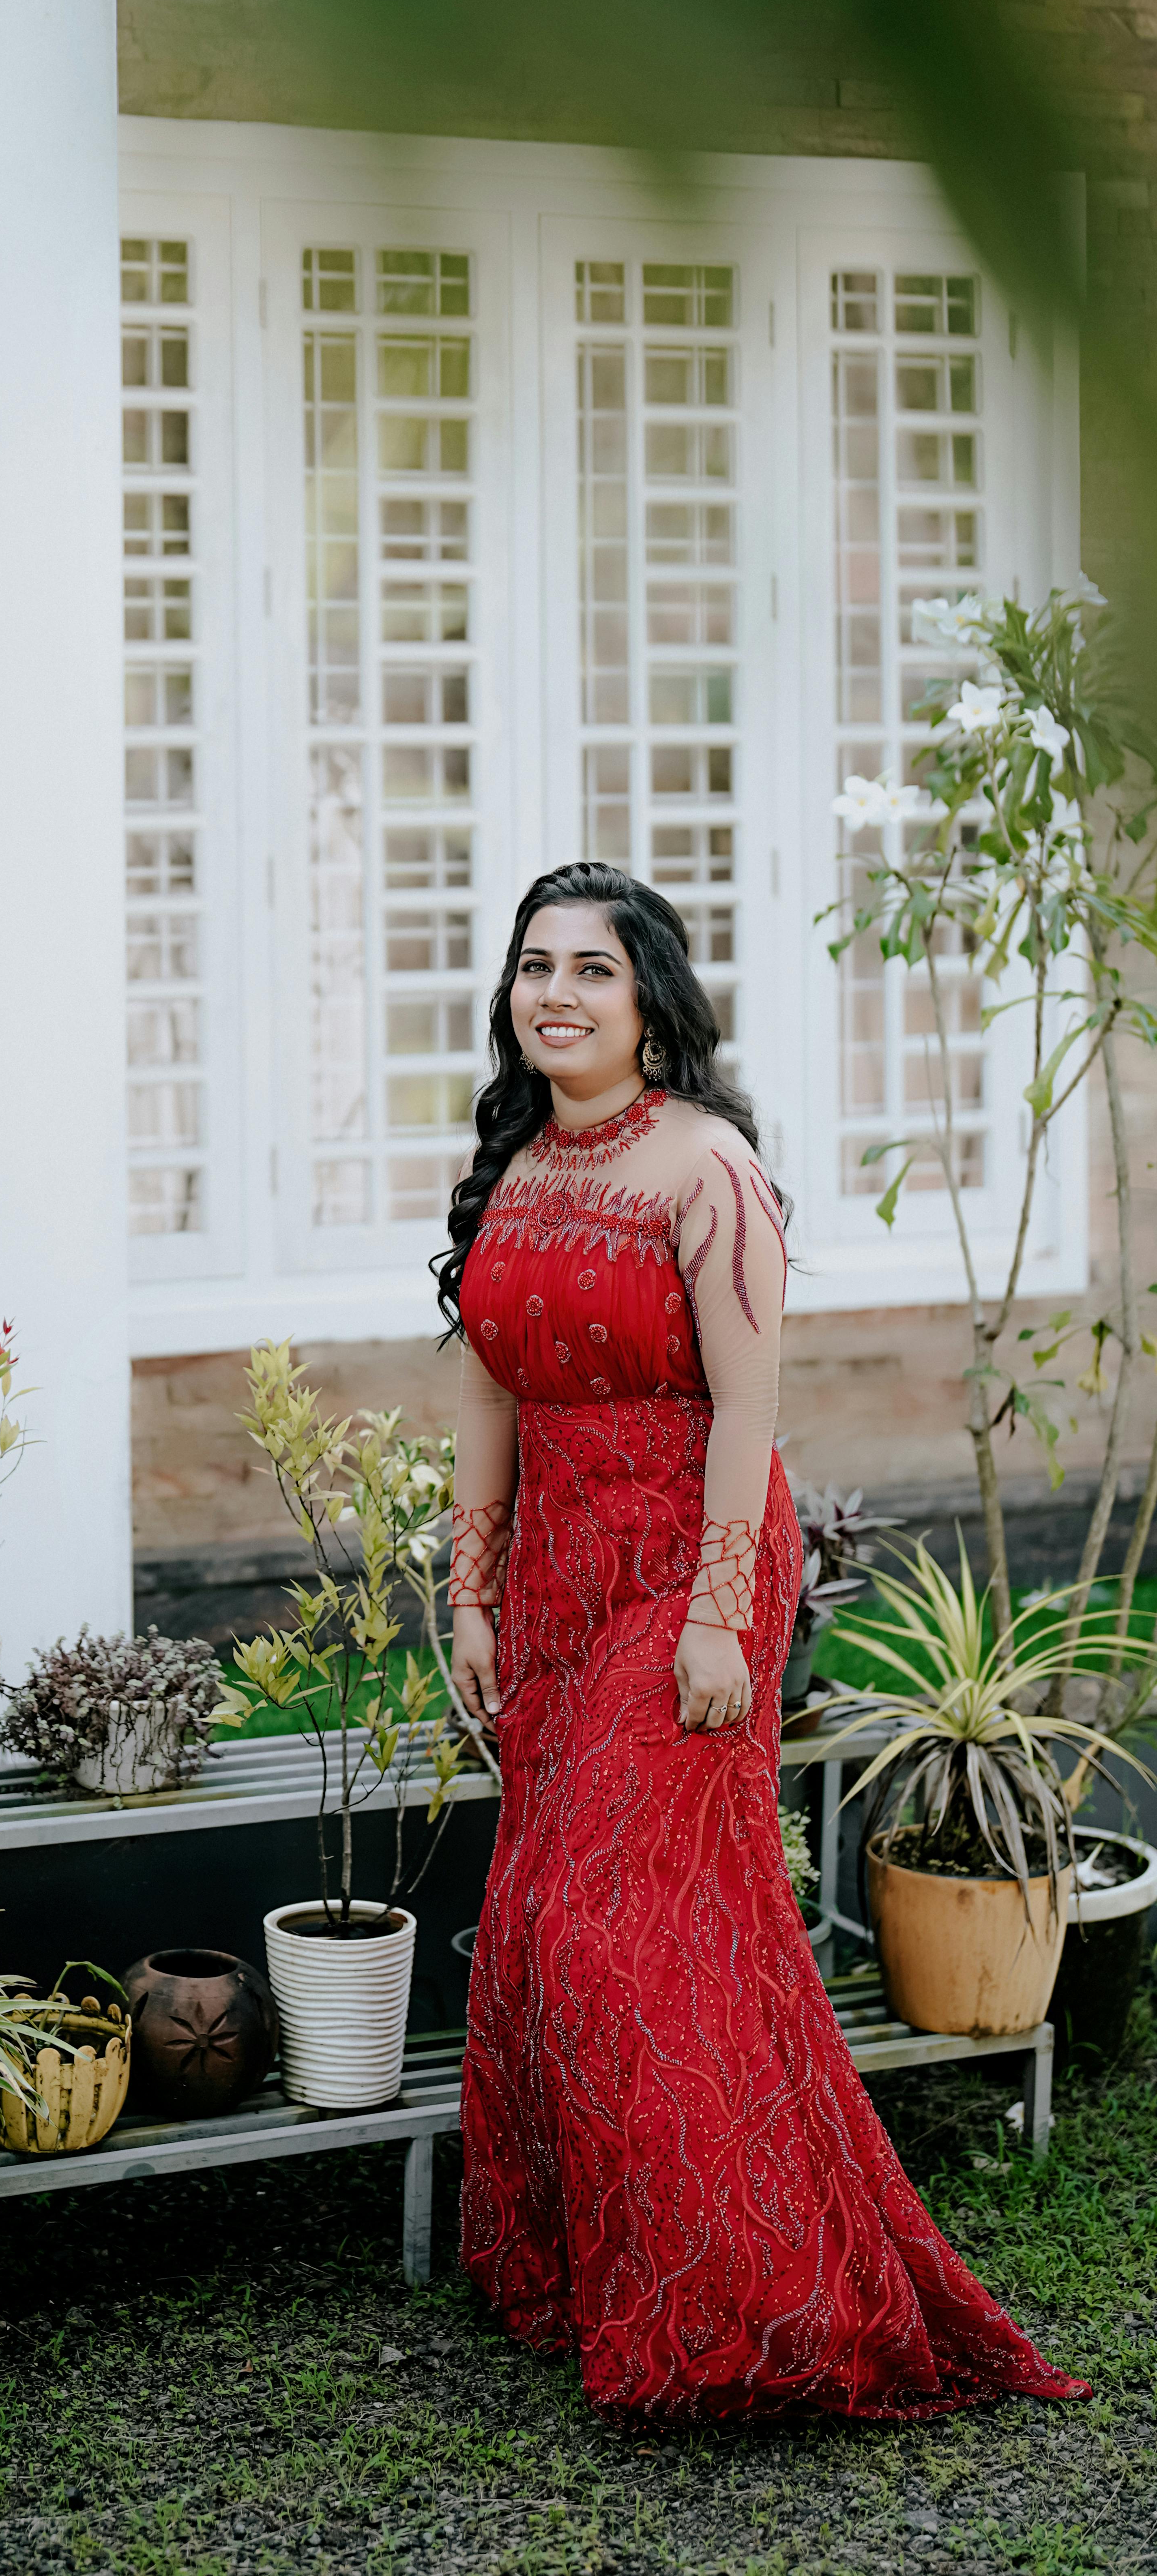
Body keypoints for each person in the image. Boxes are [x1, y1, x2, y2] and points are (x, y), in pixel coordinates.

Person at [442, 860, 1086, 2422]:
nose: (558, 996)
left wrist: (726, 1615)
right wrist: (468, 1592)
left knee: (612, 1930)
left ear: (651, 1003)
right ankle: (603, 2271)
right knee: (548, 1928)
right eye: (536, 968)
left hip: (689, 1565)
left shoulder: (702, 1167)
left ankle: (748, 2313)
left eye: (593, 970)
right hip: (557, 1581)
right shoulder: (514, 1164)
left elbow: (752, 1410)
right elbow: (485, 1392)